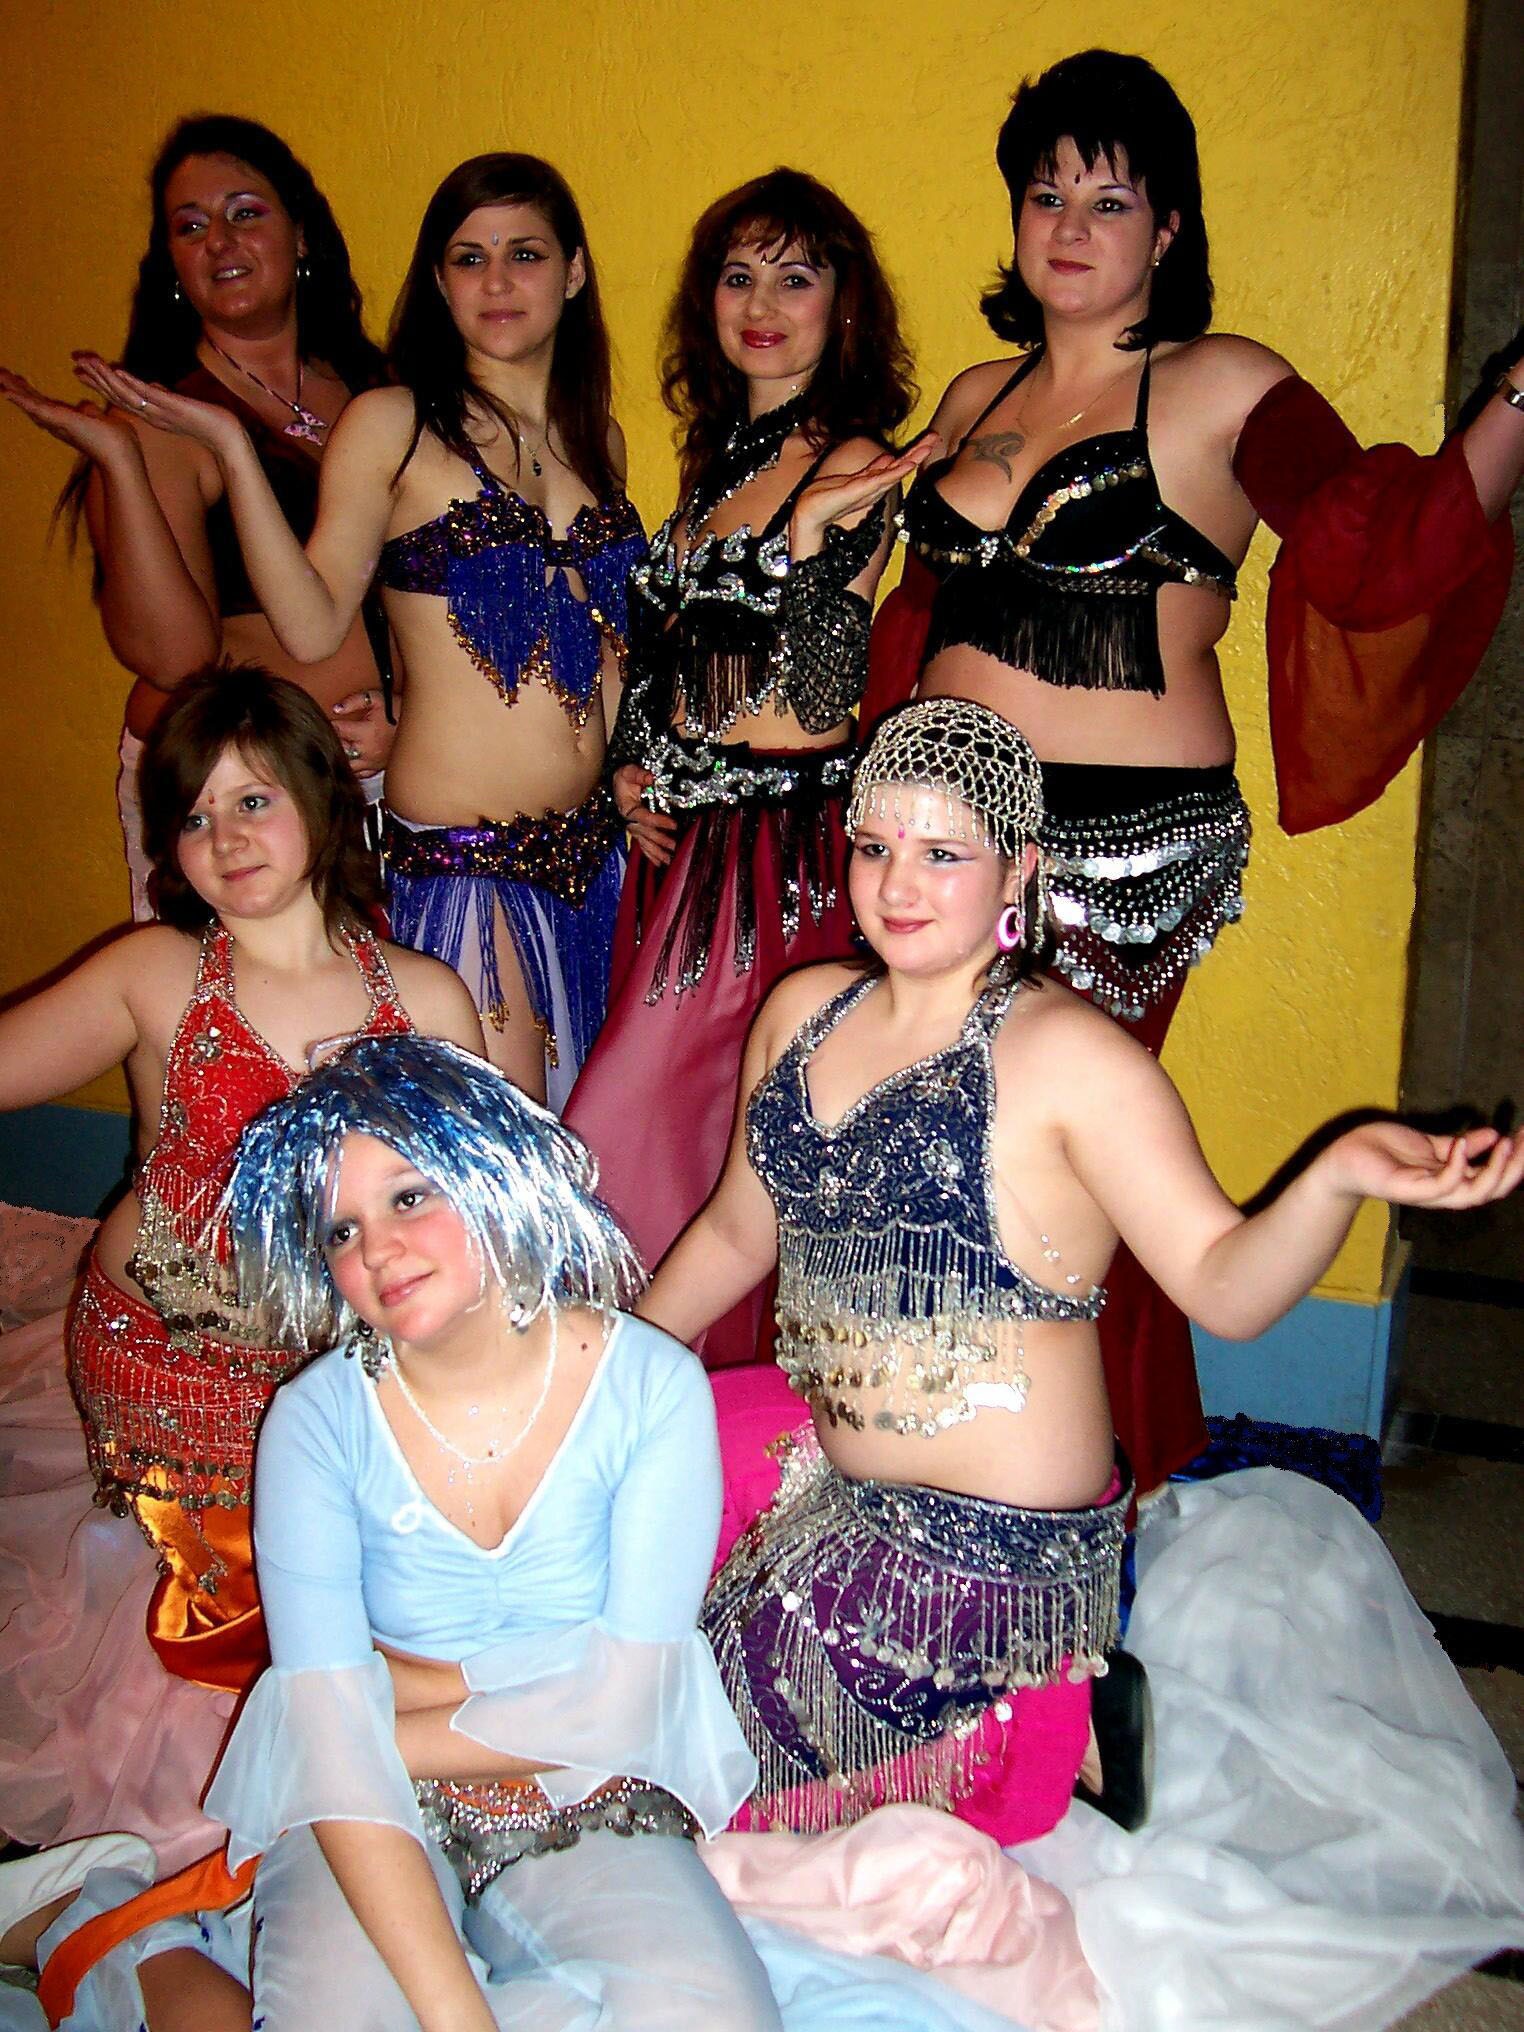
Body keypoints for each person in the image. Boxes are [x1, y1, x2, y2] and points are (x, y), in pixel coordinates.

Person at [640, 699, 1524, 1849]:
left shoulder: (1070, 1060)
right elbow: (735, 1231)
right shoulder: (802, 1013)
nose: (898, 884)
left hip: (984, 1561)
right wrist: (611, 1361)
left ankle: (1048, 1707)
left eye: (944, 853)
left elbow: (1225, 1284)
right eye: (876, 845)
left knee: (681, 1771)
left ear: (1020, 868)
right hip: (835, 1486)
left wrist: (1339, 1173)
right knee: (638, 1516)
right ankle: (1036, 1714)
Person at [860, 49, 1524, 1494]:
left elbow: (1386, 541)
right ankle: (948, 1451)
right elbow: (907, 614)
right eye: (1046, 195)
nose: (1070, 226)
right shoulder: (975, 392)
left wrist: (1519, 395)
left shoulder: (1227, 384)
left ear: (1168, 230)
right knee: (942, 1143)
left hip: (1120, 853)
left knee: (1074, 1159)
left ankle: (1107, 1475)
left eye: (1110, 200)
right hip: (937, 831)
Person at [0, 665, 484, 1874]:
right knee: (233, 1634)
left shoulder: (427, 998)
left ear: (323, 799)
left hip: (337, 1374)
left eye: (253, 800)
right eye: (195, 815)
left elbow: (483, 1221)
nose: (225, 838)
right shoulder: (154, 972)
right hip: (160, 1370)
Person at [77, 155, 646, 1105]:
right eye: (468, 258)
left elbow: (601, 640)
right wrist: (232, 448)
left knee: (594, 1132)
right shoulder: (395, 422)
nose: (497, 282)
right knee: (498, 1146)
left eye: (525, 254)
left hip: (595, 855)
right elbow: (311, 621)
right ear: (439, 283)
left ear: (574, 271)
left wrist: (630, 767)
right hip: (469, 866)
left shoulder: (600, 438)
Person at [563, 167, 922, 1361]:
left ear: (844, 305)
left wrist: (815, 539)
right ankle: (695, 1396)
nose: (762, 304)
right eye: (737, 276)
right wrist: (630, 769)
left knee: (640, 1128)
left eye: (795, 277)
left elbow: (819, 702)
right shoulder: (718, 461)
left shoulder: (851, 461)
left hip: (772, 864)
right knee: (699, 1142)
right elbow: (683, 664)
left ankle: (636, 1379)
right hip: (686, 852)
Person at [0, 114, 394, 920]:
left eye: (245, 212)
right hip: (234, 793)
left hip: (384, 776)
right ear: (173, 265)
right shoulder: (163, 420)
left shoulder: (374, 389)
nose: (219, 240)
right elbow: (175, 660)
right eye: (190, 226)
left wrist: (410, 713)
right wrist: (119, 461)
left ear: (301, 236)